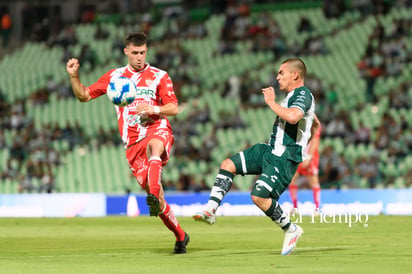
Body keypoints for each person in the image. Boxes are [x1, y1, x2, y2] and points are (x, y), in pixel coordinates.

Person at [66, 32, 189, 254]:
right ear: (126, 52)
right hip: (132, 144)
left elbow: (174, 107)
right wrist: (74, 76)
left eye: (142, 52)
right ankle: (181, 235)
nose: (139, 57)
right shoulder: (115, 77)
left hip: (155, 128)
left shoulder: (159, 76)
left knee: (155, 145)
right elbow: (84, 95)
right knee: (160, 203)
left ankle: (152, 192)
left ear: (147, 51)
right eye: (135, 53)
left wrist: (155, 109)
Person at [193, 58, 318, 256]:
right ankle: (210, 210)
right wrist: (310, 136)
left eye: (281, 73)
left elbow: (294, 117)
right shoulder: (293, 96)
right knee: (228, 164)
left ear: (295, 75)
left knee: (259, 197)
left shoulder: (303, 94)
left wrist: (271, 102)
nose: (277, 77)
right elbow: (315, 123)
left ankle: (291, 229)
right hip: (269, 150)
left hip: (284, 156)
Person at [288, 115, 321, 211]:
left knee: (314, 182)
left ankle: (317, 208)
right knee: (291, 180)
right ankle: (294, 207)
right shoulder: (297, 122)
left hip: (310, 157)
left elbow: (315, 141)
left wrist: (309, 157)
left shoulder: (314, 123)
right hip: (298, 156)